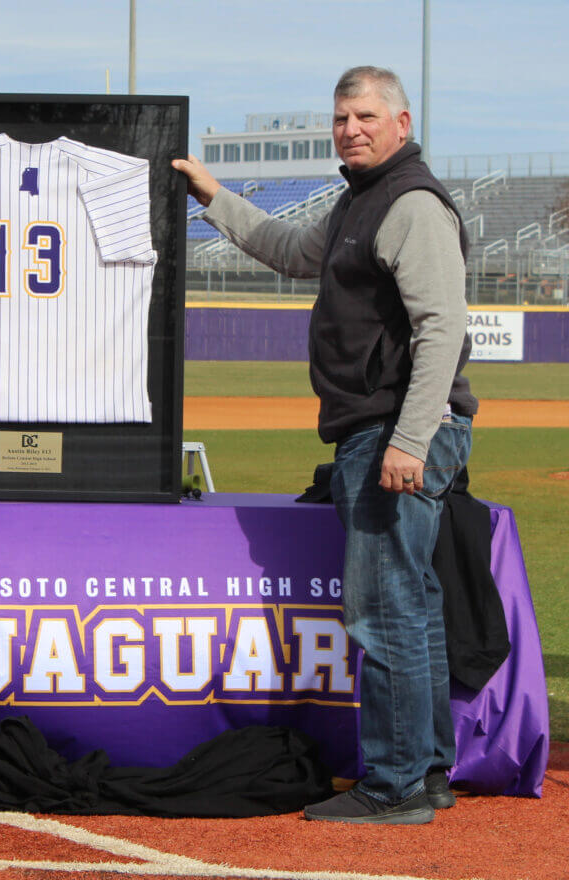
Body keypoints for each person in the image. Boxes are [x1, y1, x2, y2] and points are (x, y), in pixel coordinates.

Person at [174, 66, 477, 825]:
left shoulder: (409, 203)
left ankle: (397, 784)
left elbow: (444, 329)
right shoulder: (358, 199)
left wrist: (408, 440)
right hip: (378, 427)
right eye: (342, 118)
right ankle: (428, 772)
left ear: (401, 124)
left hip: (393, 431)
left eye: (367, 116)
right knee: (413, 604)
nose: (352, 129)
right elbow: (292, 250)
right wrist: (215, 198)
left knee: (386, 611)